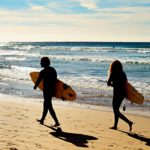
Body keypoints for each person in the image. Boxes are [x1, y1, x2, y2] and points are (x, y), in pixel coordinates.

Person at [107, 60, 133, 131]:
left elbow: (108, 83)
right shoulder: (123, 73)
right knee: (117, 110)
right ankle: (115, 126)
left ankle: (129, 122)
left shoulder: (113, 73)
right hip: (122, 94)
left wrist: (113, 85)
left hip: (116, 94)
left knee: (116, 111)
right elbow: (126, 84)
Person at [34, 57, 60, 127]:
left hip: (46, 91)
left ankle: (57, 122)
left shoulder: (43, 72)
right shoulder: (53, 70)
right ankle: (42, 119)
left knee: (49, 106)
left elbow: (38, 80)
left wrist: (35, 86)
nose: (40, 63)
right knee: (45, 104)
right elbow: (56, 81)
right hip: (52, 90)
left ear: (45, 63)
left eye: (41, 62)